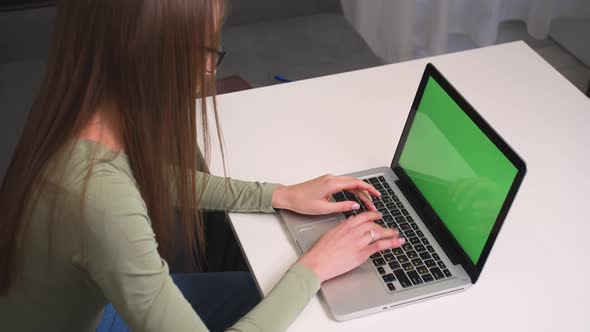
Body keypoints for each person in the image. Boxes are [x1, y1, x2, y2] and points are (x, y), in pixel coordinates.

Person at [0, 1, 405, 331]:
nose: (213, 66)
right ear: (150, 53)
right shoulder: (98, 199)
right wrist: (315, 267)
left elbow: (150, 177)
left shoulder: (77, 109)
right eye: (210, 48)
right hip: (102, 317)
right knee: (305, 302)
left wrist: (279, 195)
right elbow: (115, 196)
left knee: (275, 292)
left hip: (95, 306)